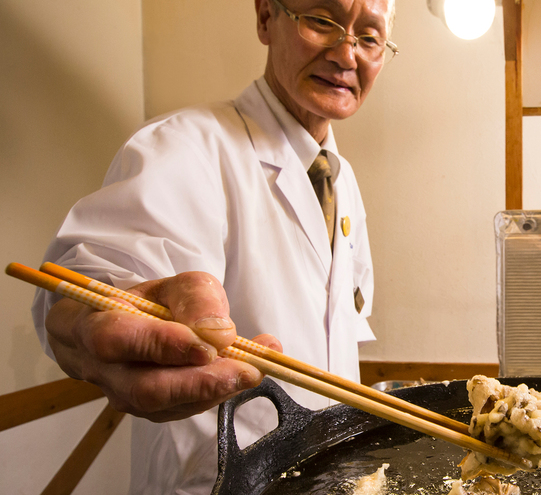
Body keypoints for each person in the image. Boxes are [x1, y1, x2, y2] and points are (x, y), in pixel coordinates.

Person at [31, 0, 397, 492]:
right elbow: (98, 274)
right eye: (321, 21)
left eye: (369, 37)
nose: (347, 54)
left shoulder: (341, 179)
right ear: (267, 17)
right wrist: (87, 321)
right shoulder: (183, 146)